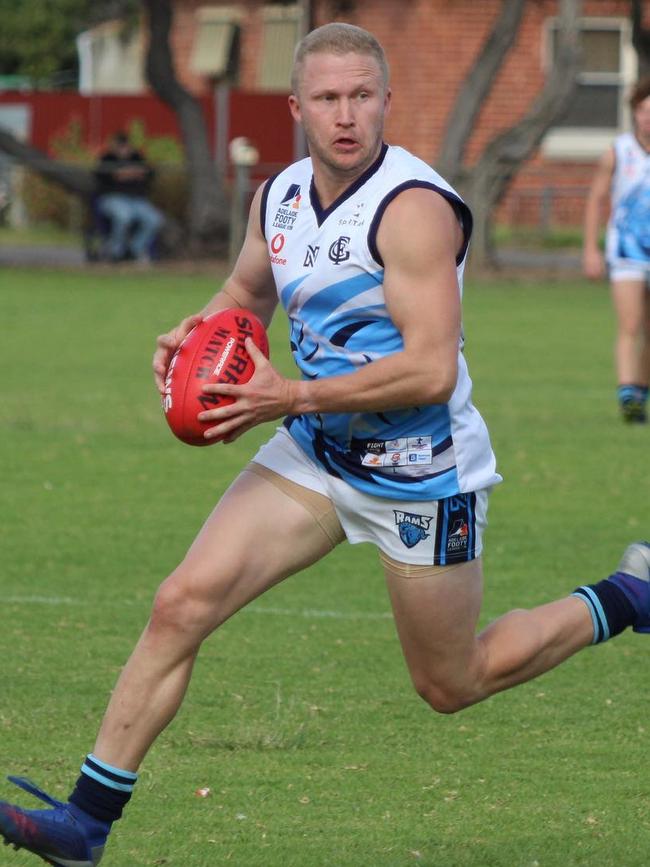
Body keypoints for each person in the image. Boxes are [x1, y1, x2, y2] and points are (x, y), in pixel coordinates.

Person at [0, 23, 648, 867]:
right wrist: (199, 331)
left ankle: (627, 597)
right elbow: (246, 289)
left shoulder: (413, 210)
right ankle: (86, 822)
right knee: (180, 603)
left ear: (386, 100)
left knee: (452, 682)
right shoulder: (279, 196)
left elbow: (427, 370)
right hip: (316, 453)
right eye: (329, 99)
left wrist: (289, 393)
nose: (347, 115)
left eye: (363, 95)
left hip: (421, 474)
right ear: (299, 107)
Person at [583, 78, 650, 423]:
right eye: (643, 112)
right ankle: (628, 393)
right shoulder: (618, 152)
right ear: (635, 114)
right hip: (626, 252)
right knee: (630, 323)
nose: (647, 119)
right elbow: (596, 200)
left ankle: (640, 389)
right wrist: (591, 249)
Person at [93, 130, 164, 264]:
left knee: (155, 219)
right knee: (124, 216)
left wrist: (126, 174)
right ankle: (116, 252)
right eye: (120, 146)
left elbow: (149, 174)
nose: (123, 149)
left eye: (125, 146)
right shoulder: (107, 158)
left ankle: (134, 250)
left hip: (137, 200)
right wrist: (129, 173)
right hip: (113, 198)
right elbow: (104, 177)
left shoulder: (137, 157)